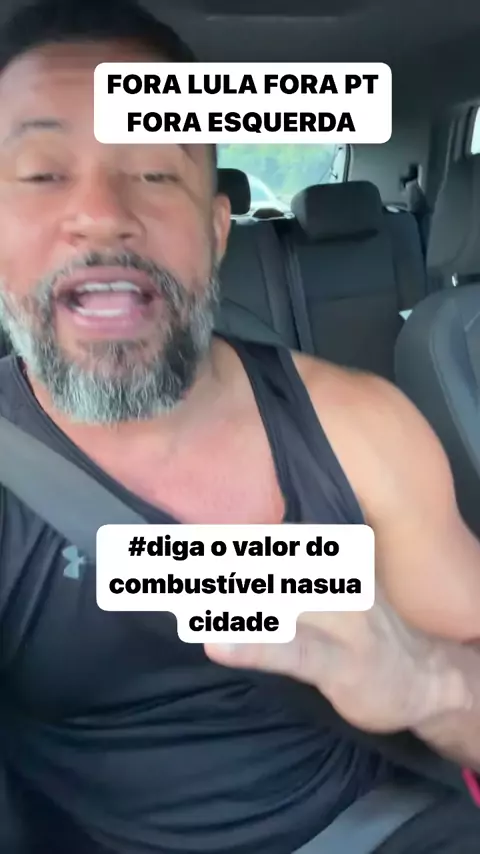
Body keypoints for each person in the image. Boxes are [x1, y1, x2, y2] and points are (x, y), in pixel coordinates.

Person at [0, 1, 479, 852]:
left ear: (216, 232)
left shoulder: (366, 430)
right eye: (40, 174)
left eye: (154, 172)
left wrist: (424, 680)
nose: (101, 214)